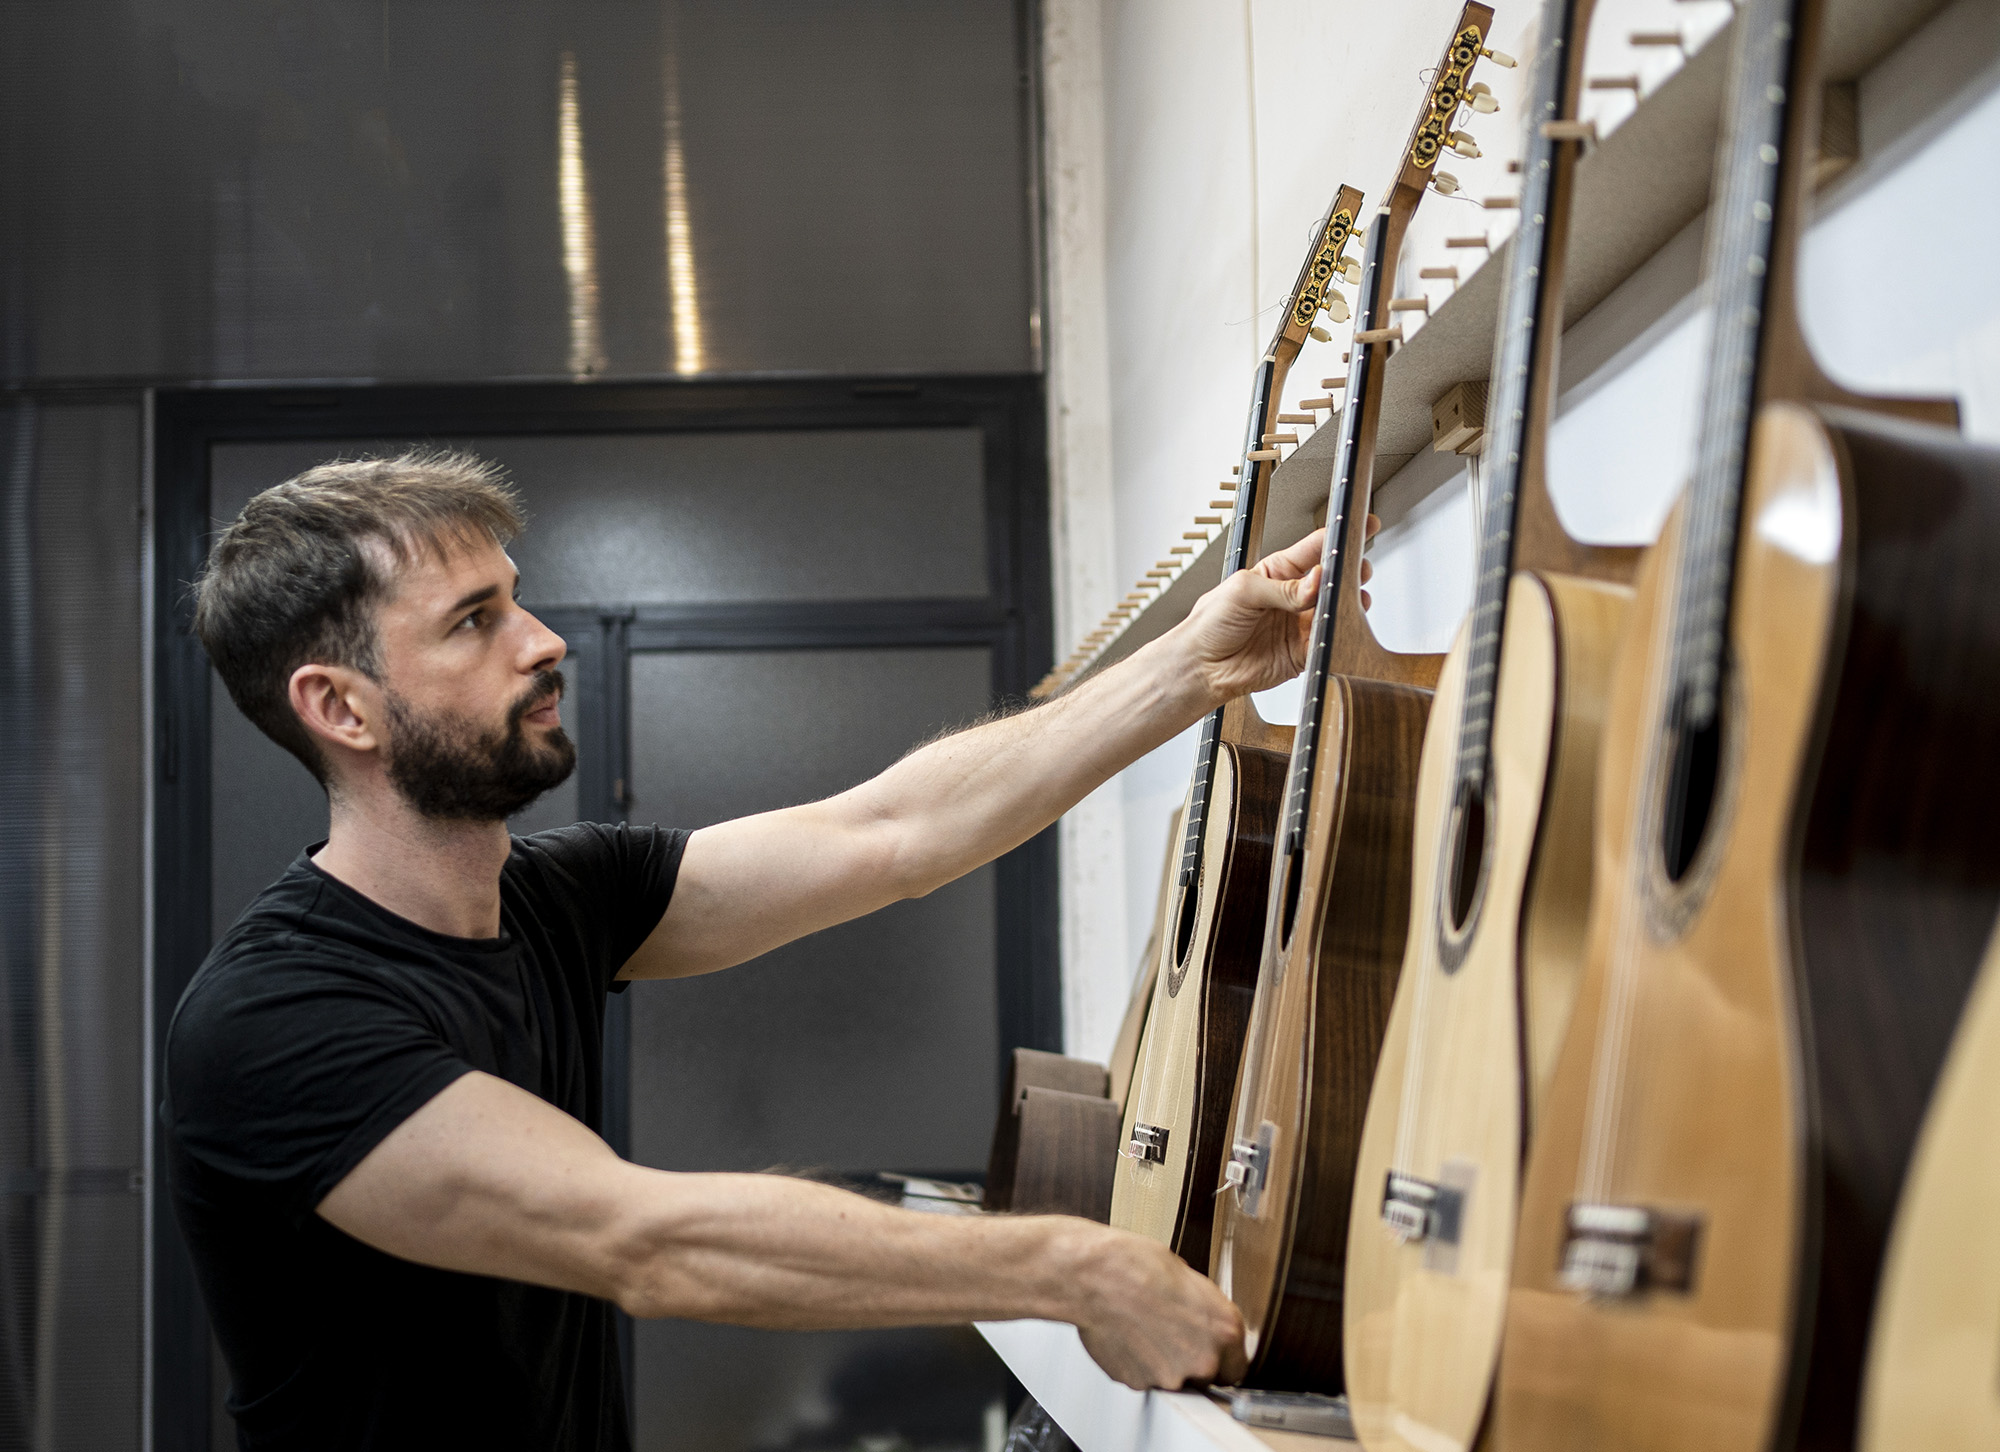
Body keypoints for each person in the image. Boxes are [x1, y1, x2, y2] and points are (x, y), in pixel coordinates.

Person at [165, 450, 1351, 1450]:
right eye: (474, 623)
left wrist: (1195, 664)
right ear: (341, 708)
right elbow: (646, 1242)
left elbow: (893, 833)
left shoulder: (559, 898)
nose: (543, 642)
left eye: (515, 598)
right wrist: (1073, 1270)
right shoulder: (275, 1019)